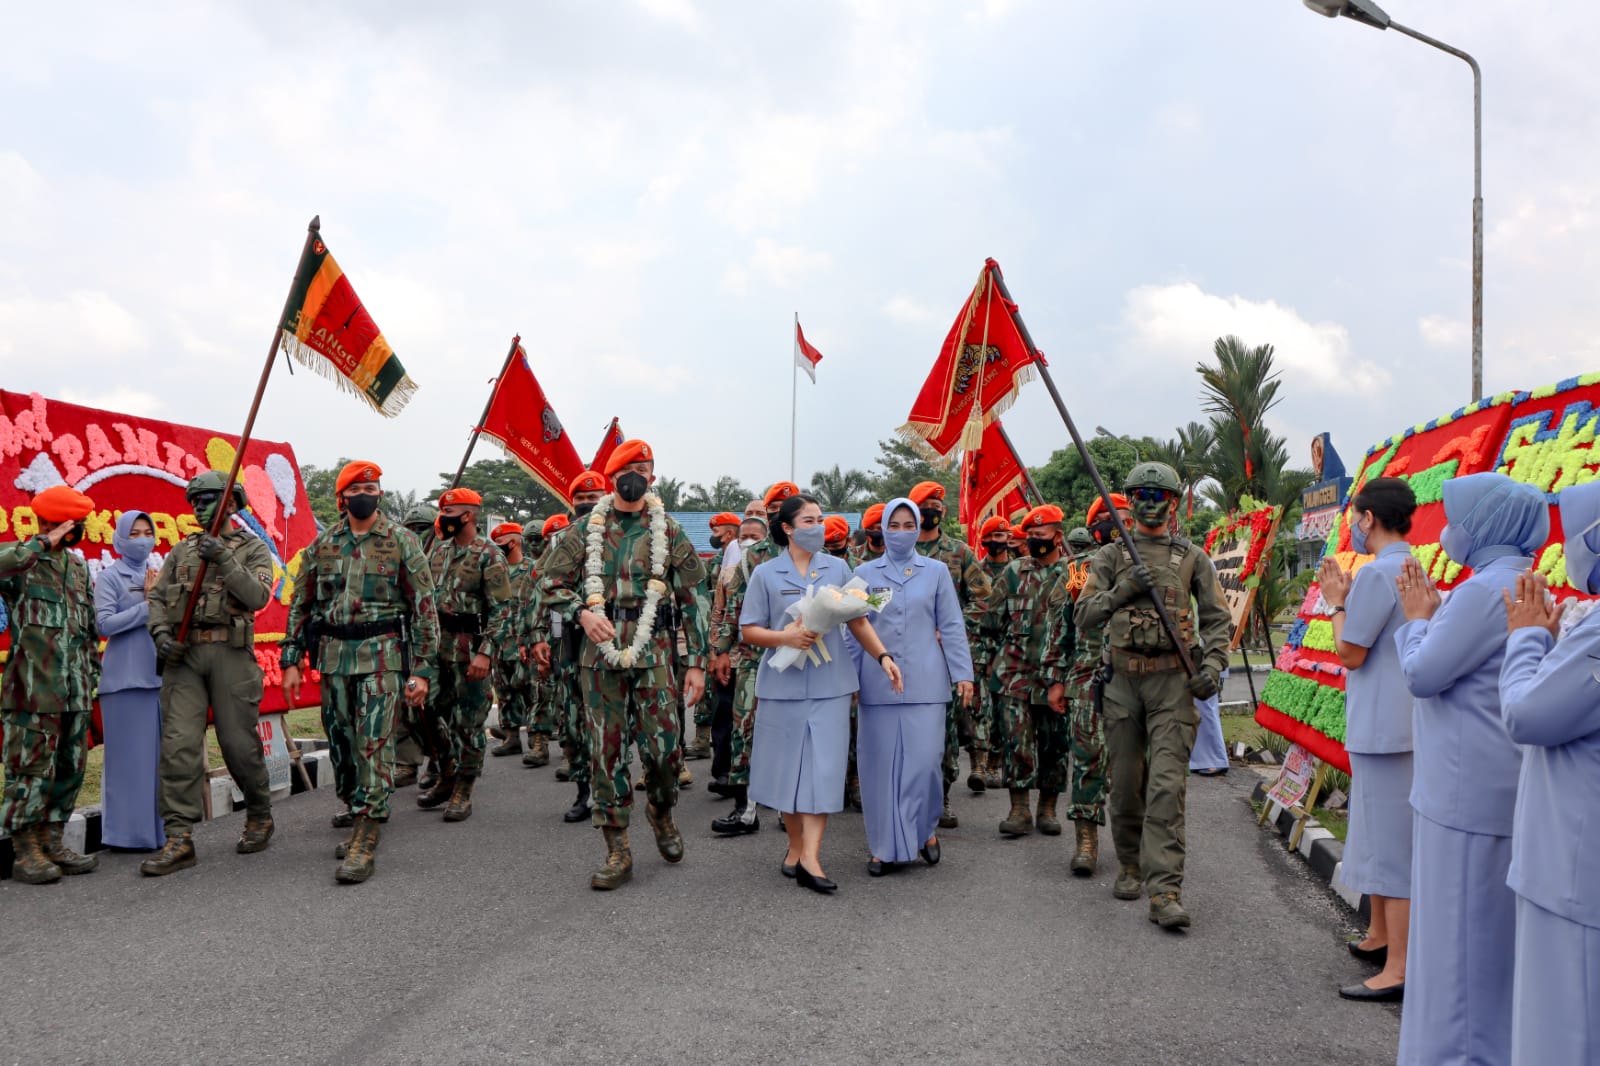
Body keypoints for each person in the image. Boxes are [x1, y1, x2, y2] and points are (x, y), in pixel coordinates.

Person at [1393, 472, 1545, 1065]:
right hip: (1482, 791)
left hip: (1464, 799)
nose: (1450, 530)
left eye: (1461, 518)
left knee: (1457, 955)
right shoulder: (1513, 580)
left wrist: (1418, 617)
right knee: (1478, 952)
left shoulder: (1487, 590)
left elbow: (1423, 674)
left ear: (1486, 525)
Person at [538, 440, 709, 889]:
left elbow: (694, 597)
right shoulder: (584, 530)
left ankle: (661, 809)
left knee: (665, 752)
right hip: (599, 657)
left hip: (655, 655)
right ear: (613, 476)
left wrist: (697, 662)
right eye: (630, 468)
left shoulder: (668, 530)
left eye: (646, 468)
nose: (639, 475)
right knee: (606, 751)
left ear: (653, 477)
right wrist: (582, 612)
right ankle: (617, 850)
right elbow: (548, 581)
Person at [1075, 463, 1230, 929]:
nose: (1148, 501)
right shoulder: (1109, 557)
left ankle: (1164, 890)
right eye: (1139, 493)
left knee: (1166, 787)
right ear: (1128, 499)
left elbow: (1217, 619)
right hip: (1122, 682)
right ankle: (1129, 864)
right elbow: (1084, 614)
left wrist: (1213, 667)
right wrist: (1125, 590)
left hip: (1171, 685)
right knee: (1125, 785)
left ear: (1174, 502)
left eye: (1158, 494)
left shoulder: (1192, 558)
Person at [279, 462, 438, 882]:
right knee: (342, 740)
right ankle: (355, 805)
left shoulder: (402, 542)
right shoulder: (323, 544)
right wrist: (291, 657)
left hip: (382, 654)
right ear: (343, 497)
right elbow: (302, 604)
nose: (369, 493)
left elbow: (424, 608)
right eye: (360, 488)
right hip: (333, 657)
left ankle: (367, 832)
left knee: (374, 740)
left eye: (374, 487)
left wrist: (421, 670)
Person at [741, 494, 902, 893]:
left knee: (824, 770)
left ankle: (812, 857)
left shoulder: (838, 567)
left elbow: (858, 619)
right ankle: (796, 848)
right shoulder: (766, 574)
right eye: (810, 520)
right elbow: (749, 630)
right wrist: (786, 636)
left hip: (831, 683)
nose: (819, 526)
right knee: (788, 772)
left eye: (821, 519)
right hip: (782, 686)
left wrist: (882, 656)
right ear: (789, 528)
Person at [1499, 479, 1600, 1066]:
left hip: (1574, 877)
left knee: (1565, 1036)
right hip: (1561, 866)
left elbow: (1527, 714)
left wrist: (1528, 639)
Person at [141, 471, 277, 875]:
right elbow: (157, 598)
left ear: (231, 503)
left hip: (230, 655)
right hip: (185, 658)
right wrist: (161, 634)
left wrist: (223, 558)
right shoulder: (181, 552)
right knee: (179, 744)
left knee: (238, 743)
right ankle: (179, 837)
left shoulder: (251, 549)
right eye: (195, 502)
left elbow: (257, 596)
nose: (199, 508)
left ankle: (259, 813)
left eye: (208, 500)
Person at [1315, 476, 1418, 1002]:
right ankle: (1380, 935)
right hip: (1395, 724)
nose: (1354, 528)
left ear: (1369, 518)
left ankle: (1397, 965)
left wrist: (1337, 603)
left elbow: (1350, 651)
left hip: (1385, 727)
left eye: (1356, 518)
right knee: (1378, 836)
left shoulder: (1380, 573)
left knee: (1391, 847)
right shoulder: (1410, 564)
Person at [851, 497, 971, 874]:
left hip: (926, 684)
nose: (901, 532)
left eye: (908, 525)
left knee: (924, 766)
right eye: (894, 525)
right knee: (879, 769)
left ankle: (924, 830)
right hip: (877, 684)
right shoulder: (865, 574)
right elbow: (854, 629)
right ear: (881, 529)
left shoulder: (935, 572)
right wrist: (851, 679)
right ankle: (884, 847)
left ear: (918, 528)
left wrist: (962, 673)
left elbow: (951, 624)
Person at [1, 486, 101, 883]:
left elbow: (89, 627)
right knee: (30, 771)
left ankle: (53, 841)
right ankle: (26, 852)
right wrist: (42, 543)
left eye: (77, 525)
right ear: (47, 523)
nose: (75, 532)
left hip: (75, 691)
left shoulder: (78, 568)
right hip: (32, 690)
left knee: (69, 769)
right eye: (67, 525)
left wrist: (92, 674)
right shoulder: (22, 560)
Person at [417, 486, 513, 822]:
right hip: (438, 650)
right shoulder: (439, 553)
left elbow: (503, 610)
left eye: (449, 512)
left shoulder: (490, 555)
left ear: (468, 515)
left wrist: (485, 654)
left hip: (471, 649)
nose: (444, 518)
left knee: (469, 723)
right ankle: (447, 770)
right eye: (442, 512)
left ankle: (463, 788)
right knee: (425, 711)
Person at [708, 481, 797, 834]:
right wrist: (722, 651)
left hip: (797, 657)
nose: (780, 518)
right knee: (745, 729)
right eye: (774, 512)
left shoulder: (814, 556)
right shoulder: (755, 557)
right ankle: (745, 809)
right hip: (751, 655)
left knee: (790, 730)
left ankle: (787, 807)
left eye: (785, 510)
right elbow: (735, 607)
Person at [907, 481, 992, 829]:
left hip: (942, 658)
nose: (934, 510)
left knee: (944, 729)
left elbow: (984, 597)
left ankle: (941, 798)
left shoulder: (958, 552)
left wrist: (952, 626)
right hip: (902, 656)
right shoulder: (899, 549)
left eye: (938, 505)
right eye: (926, 504)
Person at [986, 505, 1073, 840]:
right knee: (1017, 743)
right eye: (1031, 536)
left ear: (1058, 536)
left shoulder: (1074, 573)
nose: (1036, 541)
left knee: (1054, 745)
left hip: (1057, 678)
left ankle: (1047, 809)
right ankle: (1019, 809)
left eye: (1042, 535)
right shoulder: (1013, 571)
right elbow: (992, 619)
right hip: (1014, 674)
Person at [532, 476, 605, 823]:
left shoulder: (618, 535)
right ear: (572, 502)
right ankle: (584, 792)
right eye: (583, 497)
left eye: (596, 495)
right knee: (574, 720)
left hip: (611, 639)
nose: (589, 502)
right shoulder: (559, 540)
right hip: (571, 639)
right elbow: (540, 589)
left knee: (611, 720)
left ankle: (611, 790)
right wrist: (536, 636)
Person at [1062, 494, 1128, 875]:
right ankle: (1086, 841)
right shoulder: (1079, 569)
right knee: (1088, 760)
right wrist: (1056, 680)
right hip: (1088, 678)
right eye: (1106, 518)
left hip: (1136, 678)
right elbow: (1061, 629)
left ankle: (1132, 847)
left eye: (1120, 517)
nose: (1114, 524)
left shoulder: (1148, 564)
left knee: (1134, 766)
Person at [94, 510, 165, 851]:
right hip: (124, 682)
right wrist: (147, 605)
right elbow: (104, 624)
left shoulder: (159, 573)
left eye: (146, 532)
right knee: (127, 764)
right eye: (134, 533)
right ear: (121, 538)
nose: (142, 539)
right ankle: (125, 836)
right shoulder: (110, 577)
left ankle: (158, 834)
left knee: (158, 764)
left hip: (158, 678)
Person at [488, 522, 542, 763]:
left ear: (514, 542)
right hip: (500, 640)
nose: (498, 549)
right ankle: (510, 737)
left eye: (502, 544)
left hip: (525, 640)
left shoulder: (532, 569)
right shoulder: (493, 570)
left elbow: (538, 605)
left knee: (532, 690)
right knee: (504, 690)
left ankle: (536, 738)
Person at [394, 504, 439, 789]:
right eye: (413, 530)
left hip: (439, 641)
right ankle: (406, 761)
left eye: (423, 529)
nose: (417, 535)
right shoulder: (401, 554)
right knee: (404, 701)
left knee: (436, 705)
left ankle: (439, 758)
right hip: (404, 637)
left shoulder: (445, 555)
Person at [970, 515, 1014, 792]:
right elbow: (973, 606)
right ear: (983, 541)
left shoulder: (1019, 570)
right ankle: (978, 766)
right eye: (991, 537)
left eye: (1001, 537)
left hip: (1010, 651)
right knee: (978, 707)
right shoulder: (975, 572)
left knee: (1002, 711)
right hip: (979, 648)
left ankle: (995, 765)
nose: (996, 541)